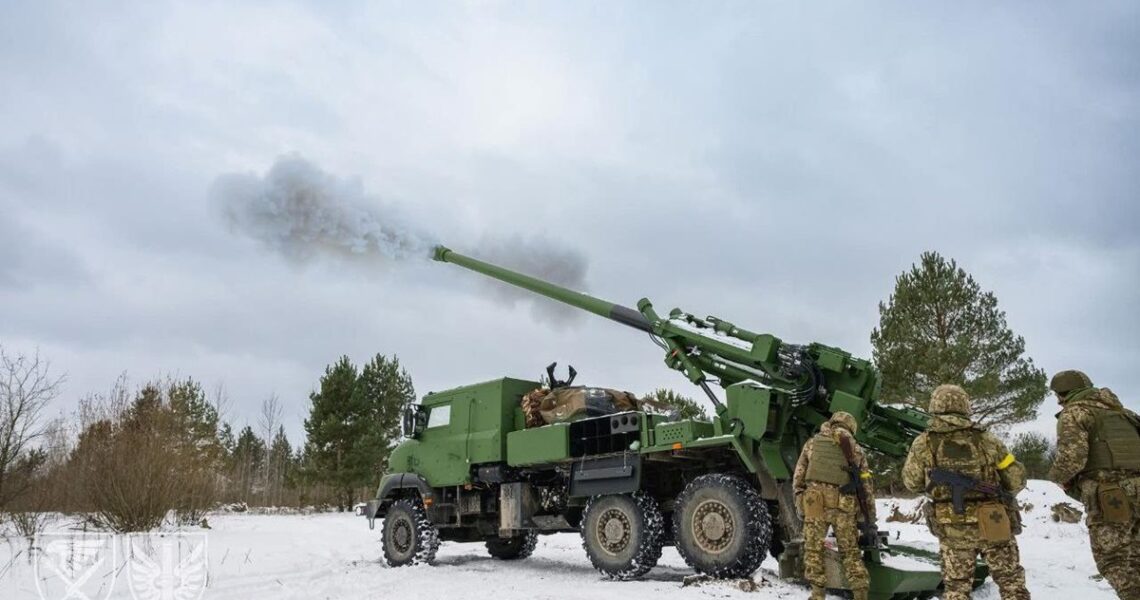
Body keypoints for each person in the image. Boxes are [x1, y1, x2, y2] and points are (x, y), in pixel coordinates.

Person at [902, 384, 1030, 600]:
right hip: (993, 521)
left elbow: (912, 483)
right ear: (965, 406)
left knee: (956, 588)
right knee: (1011, 584)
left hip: (953, 526)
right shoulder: (987, 439)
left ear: (935, 406)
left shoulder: (923, 443)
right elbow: (1016, 480)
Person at [1048, 370, 1140, 600]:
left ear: (1061, 394)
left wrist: (1058, 478)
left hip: (1111, 496)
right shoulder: (1125, 414)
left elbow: (1071, 460)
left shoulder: (1075, 413)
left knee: (1114, 559)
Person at [792, 411, 874, 600]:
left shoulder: (812, 444)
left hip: (815, 504)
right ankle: (861, 595)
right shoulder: (856, 449)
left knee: (813, 550)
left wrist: (800, 502)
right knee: (850, 553)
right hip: (844, 506)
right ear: (851, 428)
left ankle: (817, 595)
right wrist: (869, 517)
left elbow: (799, 476)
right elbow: (866, 487)